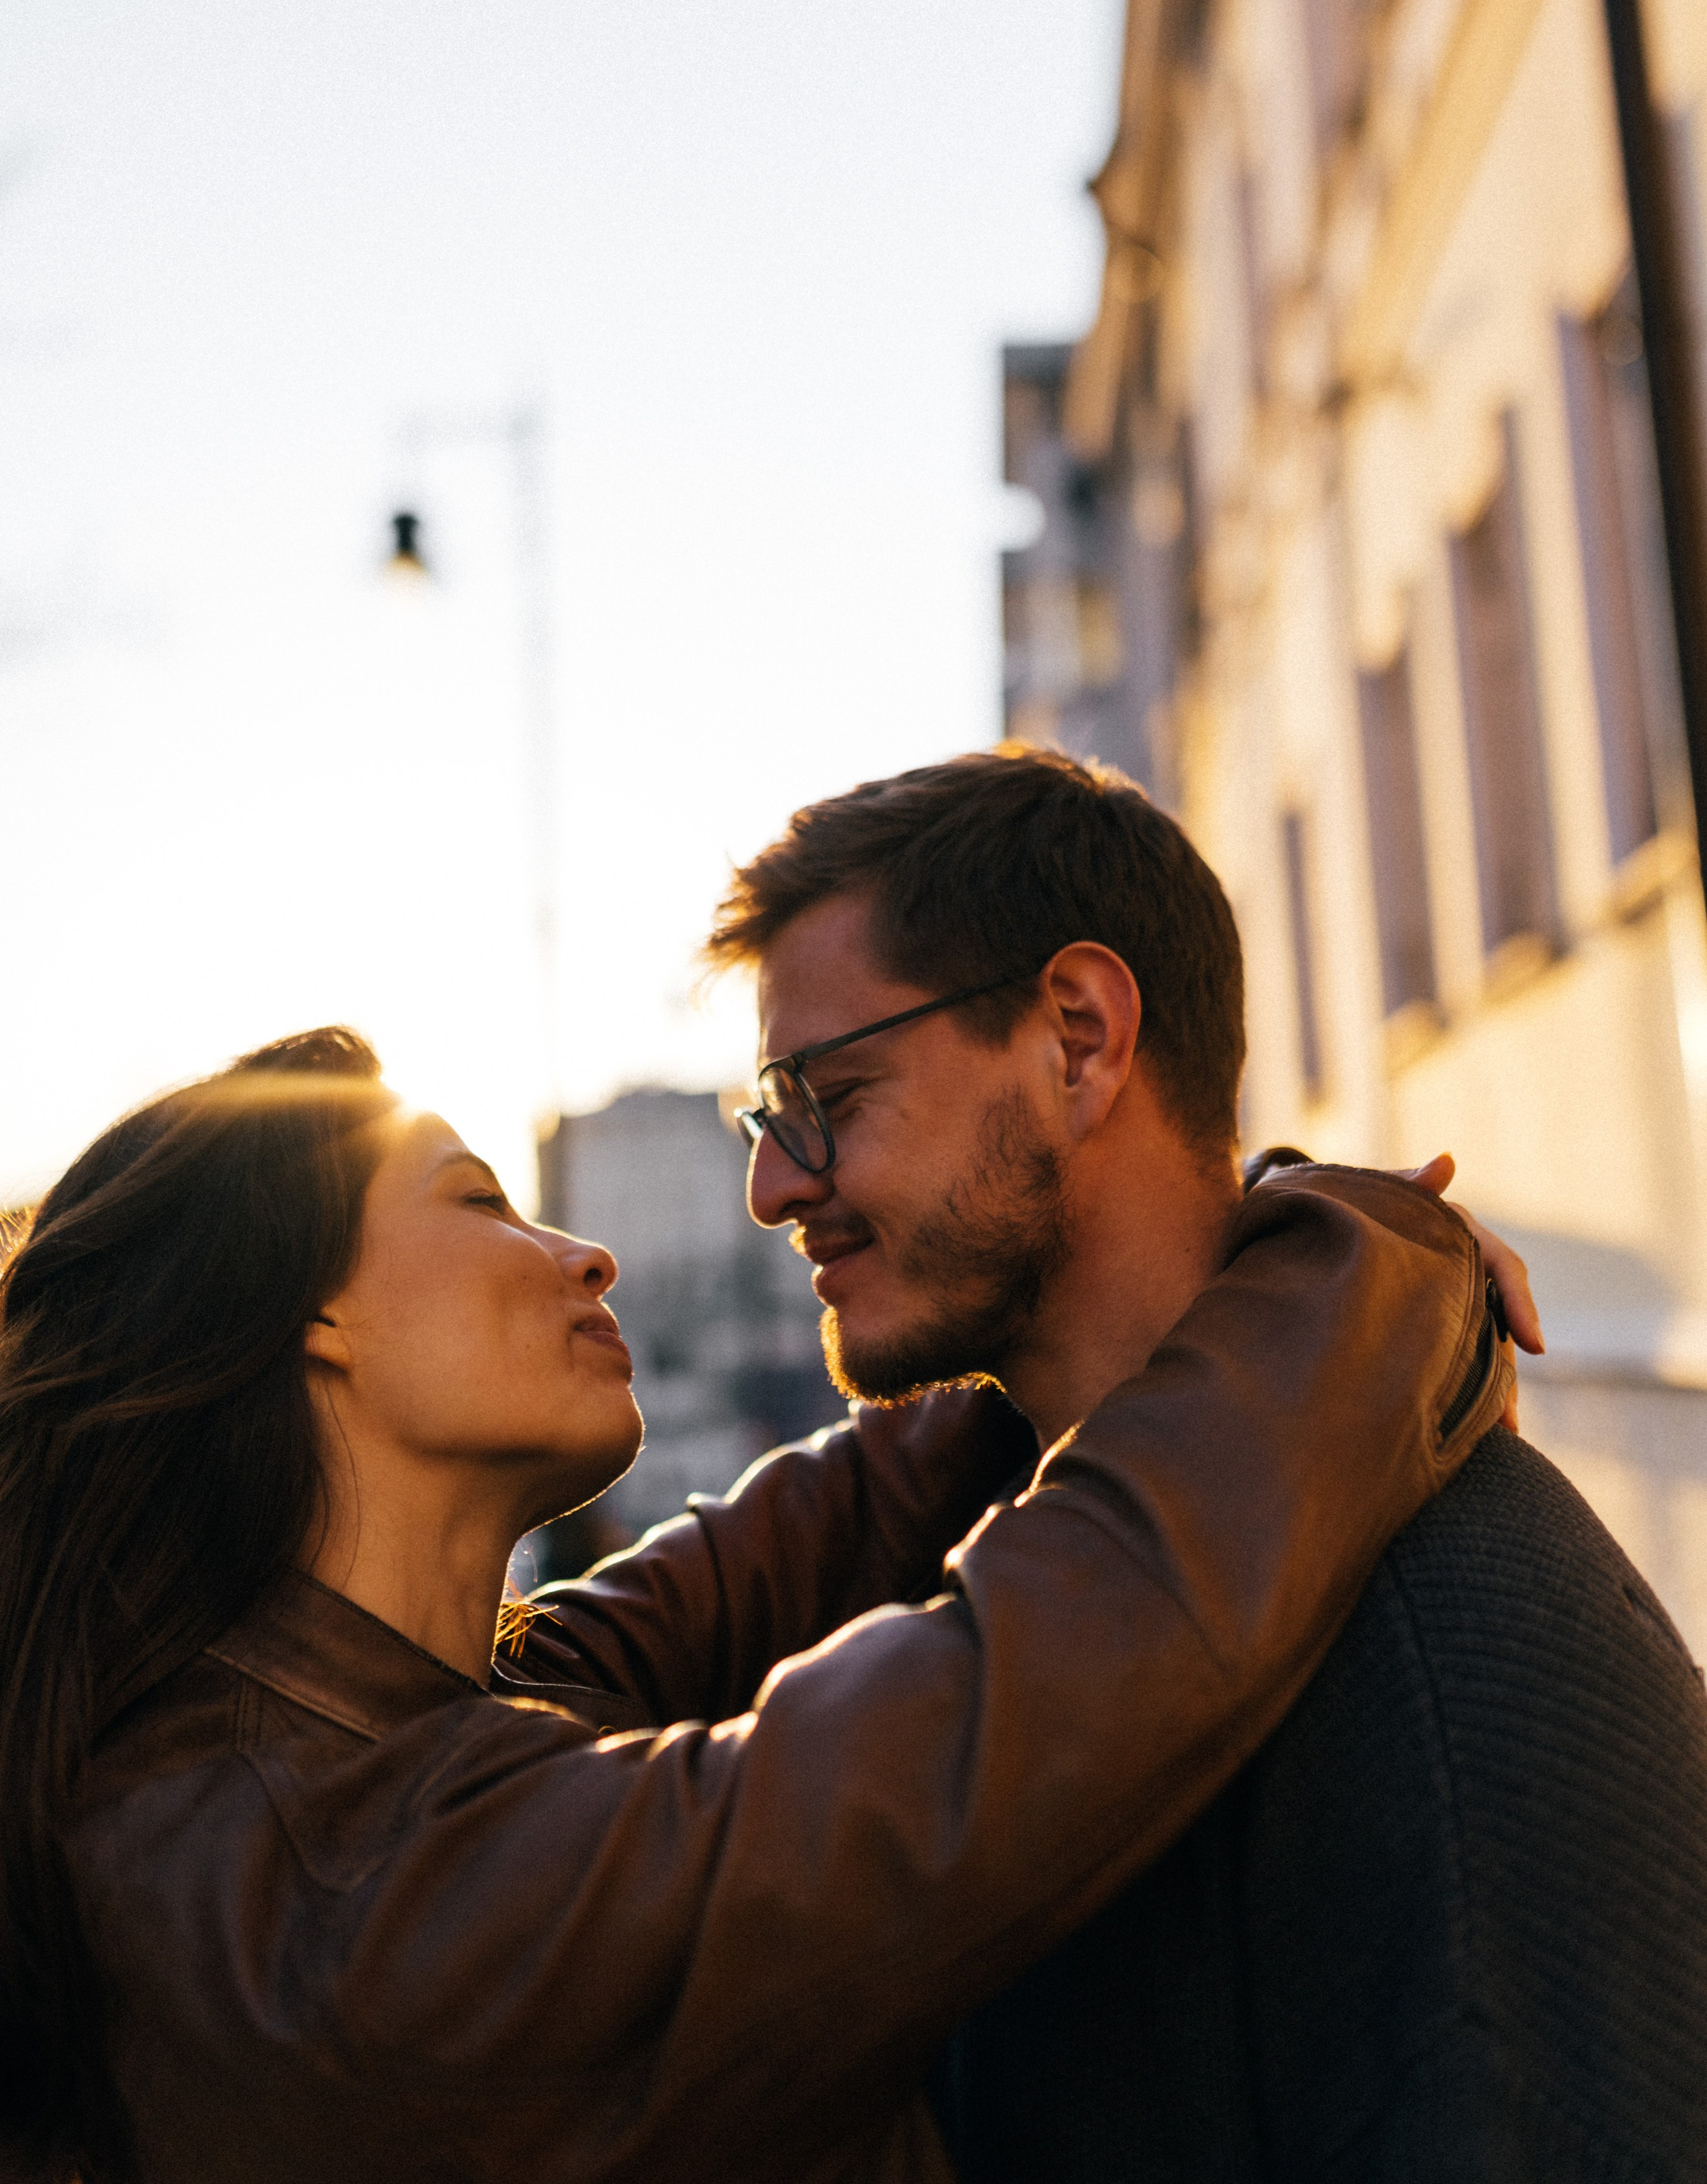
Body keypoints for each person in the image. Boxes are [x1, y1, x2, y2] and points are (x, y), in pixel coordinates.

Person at [0, 1024, 1506, 2183]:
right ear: (307, 1317)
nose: (583, 1254)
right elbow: (1040, 1680)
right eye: (482, 1204)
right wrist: (1375, 1269)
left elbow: (838, 1517)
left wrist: (1200, 1248)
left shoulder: (401, 1716)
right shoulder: (337, 1904)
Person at [585, 742, 1699, 2183]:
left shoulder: (1456, 1660)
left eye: (829, 1096)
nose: (770, 1186)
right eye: (766, 1117)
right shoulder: (1004, 1563)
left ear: (1078, 1039)